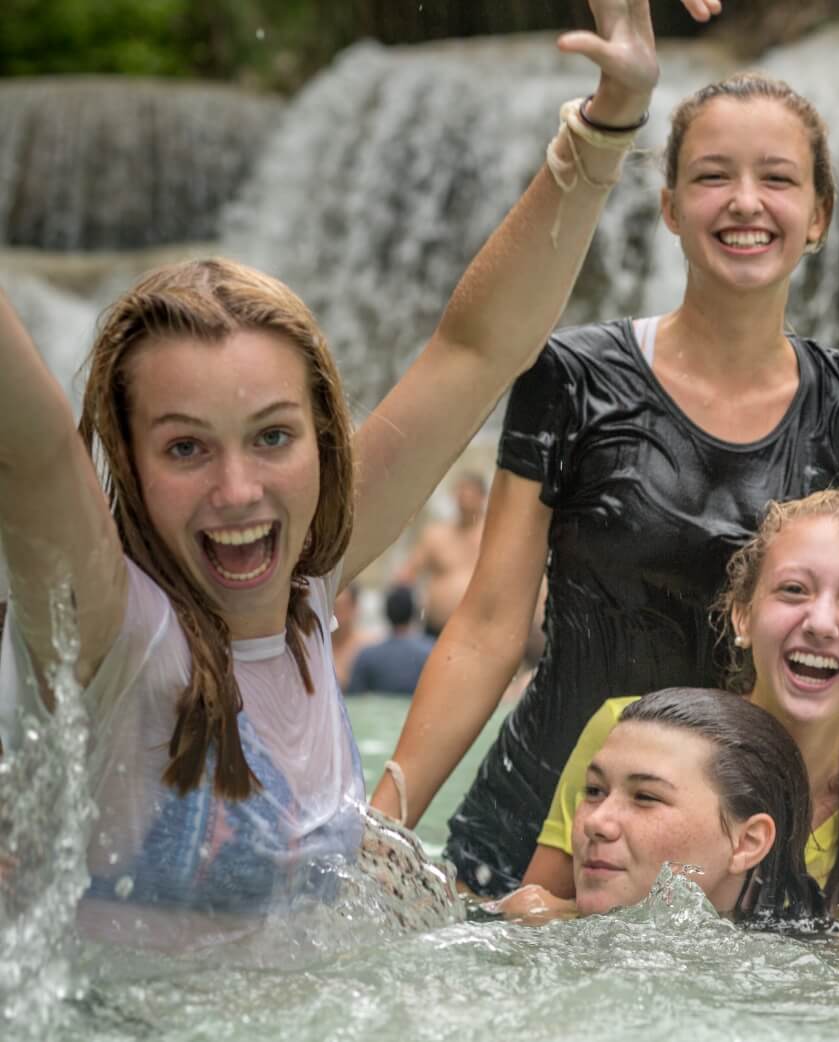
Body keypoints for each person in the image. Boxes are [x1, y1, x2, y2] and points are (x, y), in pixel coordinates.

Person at [0, 0, 721, 949]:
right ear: (126, 466)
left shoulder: (310, 580)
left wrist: (612, 119)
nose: (238, 491)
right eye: (184, 448)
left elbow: (475, 348)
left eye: (271, 437)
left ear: (322, 445)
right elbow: (34, 447)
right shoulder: (107, 625)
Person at [372, 71, 839, 897]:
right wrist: (384, 822)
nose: (745, 202)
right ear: (671, 207)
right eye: (713, 175)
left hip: (723, 865)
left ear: (817, 215)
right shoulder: (572, 379)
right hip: (535, 830)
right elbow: (489, 625)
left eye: (777, 178)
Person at [524, 489, 839, 919]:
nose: (820, 623)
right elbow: (532, 920)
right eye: (794, 590)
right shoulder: (629, 736)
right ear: (742, 614)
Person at [498, 687, 825, 924]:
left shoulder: (830, 968)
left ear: (747, 843)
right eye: (595, 790)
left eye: (645, 797)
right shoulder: (526, 925)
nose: (596, 822)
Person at [394, 472, 488, 639]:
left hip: (479, 629)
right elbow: (407, 574)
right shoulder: (436, 535)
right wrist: (401, 616)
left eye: (470, 492)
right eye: (461, 491)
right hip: (435, 628)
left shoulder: (492, 535)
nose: (465, 496)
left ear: (482, 496)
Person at [346, 586, 434, 696]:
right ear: (413, 613)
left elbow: (354, 697)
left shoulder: (368, 656)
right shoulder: (431, 652)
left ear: (386, 613)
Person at [331, 583, 371, 687]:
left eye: (344, 607)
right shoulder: (318, 648)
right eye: (335, 607)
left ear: (355, 608)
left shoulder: (367, 645)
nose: (339, 614)